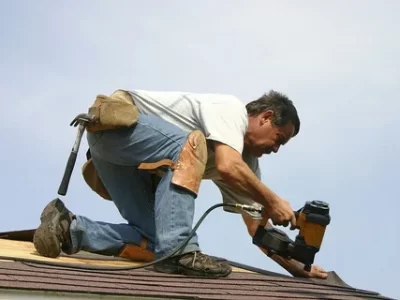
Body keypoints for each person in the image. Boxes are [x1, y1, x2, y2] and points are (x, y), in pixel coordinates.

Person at [33, 89, 327, 279]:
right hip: (116, 128)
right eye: (280, 139)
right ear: (266, 117)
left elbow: (258, 231)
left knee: (153, 242)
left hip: (118, 161)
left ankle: (67, 227)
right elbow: (226, 166)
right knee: (191, 144)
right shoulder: (231, 111)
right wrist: (273, 201)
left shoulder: (245, 166)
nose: (276, 149)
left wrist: (298, 269)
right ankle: (182, 252)